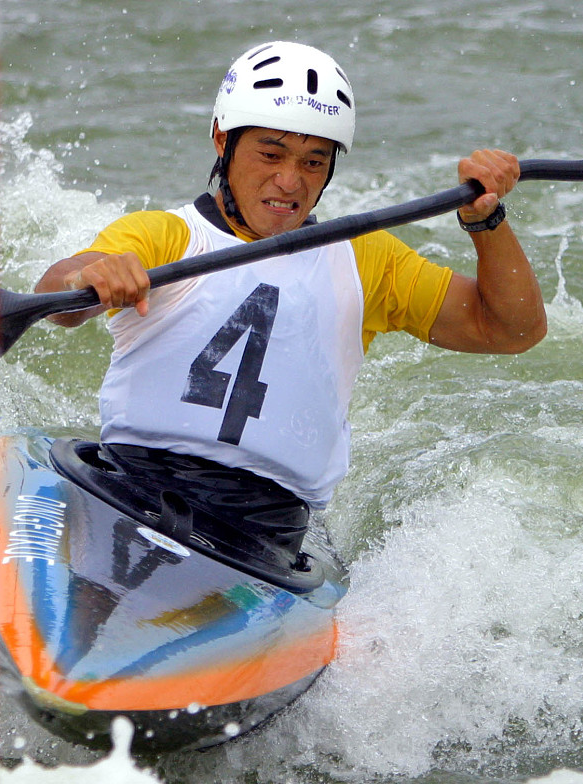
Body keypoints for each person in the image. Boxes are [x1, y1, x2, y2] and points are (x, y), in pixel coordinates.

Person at [35, 40, 547, 512]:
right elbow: (59, 295)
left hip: (270, 530)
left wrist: (486, 220)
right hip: (131, 485)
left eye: (313, 161)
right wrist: (95, 277)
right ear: (222, 140)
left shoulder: (366, 259)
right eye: (271, 153)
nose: (289, 180)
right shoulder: (165, 236)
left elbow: (510, 330)